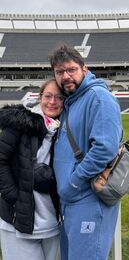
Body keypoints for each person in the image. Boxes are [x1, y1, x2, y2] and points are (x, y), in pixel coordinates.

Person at [49, 45, 122, 260]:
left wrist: (73, 182)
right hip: (71, 202)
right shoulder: (72, 101)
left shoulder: (99, 98)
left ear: (85, 69)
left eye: (71, 70)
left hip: (88, 199)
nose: (65, 76)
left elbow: (105, 149)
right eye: (59, 72)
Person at [0, 79, 64, 260]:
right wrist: (13, 195)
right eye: (48, 96)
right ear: (40, 97)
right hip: (18, 222)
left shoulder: (64, 130)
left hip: (53, 223)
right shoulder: (19, 123)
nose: (52, 102)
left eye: (59, 98)